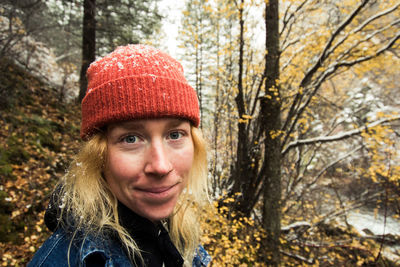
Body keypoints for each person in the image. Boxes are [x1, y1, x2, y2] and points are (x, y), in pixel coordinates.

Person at [28, 44, 211, 267]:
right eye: (131, 138)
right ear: (98, 156)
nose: (161, 166)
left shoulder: (179, 238)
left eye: (175, 134)